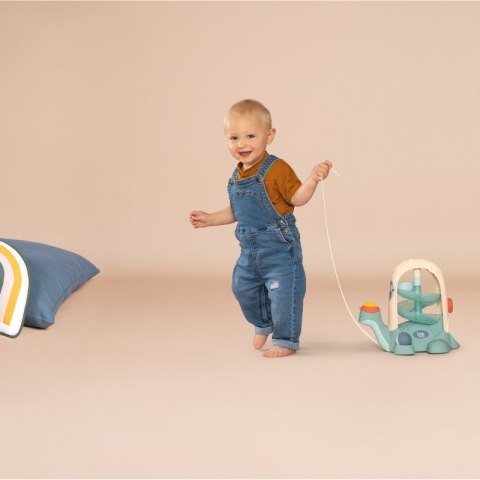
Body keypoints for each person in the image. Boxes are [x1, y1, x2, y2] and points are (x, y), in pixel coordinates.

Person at [190, 99, 332, 358]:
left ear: (270, 136)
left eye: (250, 136)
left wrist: (312, 180)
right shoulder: (237, 176)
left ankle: (285, 340)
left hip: (279, 249)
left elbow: (297, 198)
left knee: (284, 294)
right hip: (249, 252)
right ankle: (263, 324)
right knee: (241, 287)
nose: (242, 144)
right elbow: (236, 212)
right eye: (234, 138)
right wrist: (210, 218)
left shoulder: (277, 169)